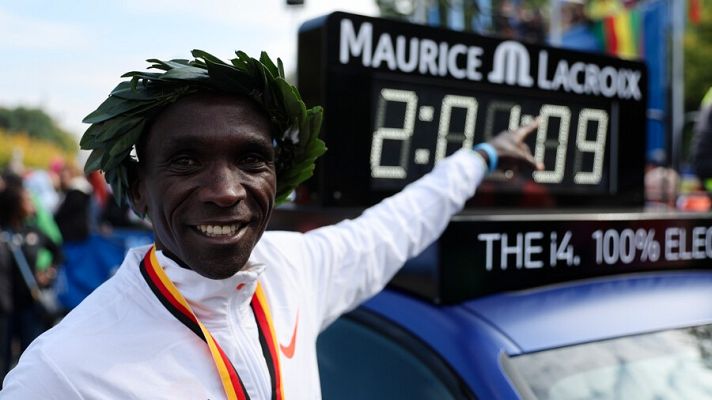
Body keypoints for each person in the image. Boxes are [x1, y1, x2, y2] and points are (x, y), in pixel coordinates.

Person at [1, 50, 540, 399]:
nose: (226, 191)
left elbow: (399, 224)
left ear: (276, 176)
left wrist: (484, 157)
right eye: (187, 160)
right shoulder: (59, 372)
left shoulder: (295, 267)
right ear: (140, 189)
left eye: (251, 159)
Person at [0, 172, 62, 383]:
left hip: (30, 305)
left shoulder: (34, 232)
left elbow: (58, 252)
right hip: (4, 309)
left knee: (30, 360)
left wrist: (48, 273)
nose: (31, 203)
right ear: (14, 203)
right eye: (26, 199)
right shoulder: (3, 233)